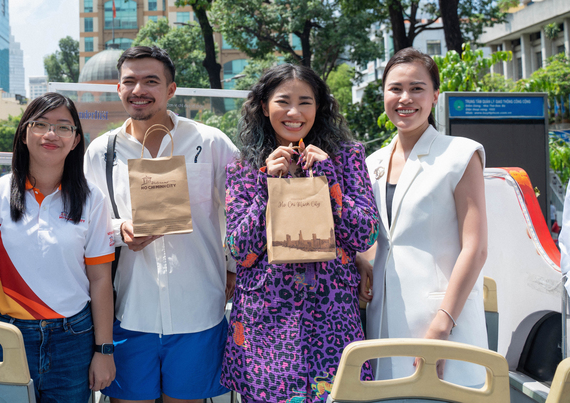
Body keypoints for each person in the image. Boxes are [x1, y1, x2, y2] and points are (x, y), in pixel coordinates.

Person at [83, 45, 238, 403]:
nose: (140, 90)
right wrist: (119, 230)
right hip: (129, 312)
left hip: (199, 310)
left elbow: (241, 210)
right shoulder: (101, 152)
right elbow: (87, 223)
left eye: (151, 81)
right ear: (118, 89)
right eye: (130, 81)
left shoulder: (210, 142)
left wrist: (232, 268)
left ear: (171, 90)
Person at [221, 64, 379, 403]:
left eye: (305, 102)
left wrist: (329, 182)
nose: (294, 112)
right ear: (264, 107)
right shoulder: (243, 168)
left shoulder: (346, 158)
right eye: (283, 101)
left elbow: (364, 235)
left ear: (319, 107)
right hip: (266, 326)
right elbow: (241, 251)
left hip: (332, 320)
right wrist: (268, 186)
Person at [357, 48, 489, 385]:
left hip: (443, 321)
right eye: (395, 88)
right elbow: (378, 238)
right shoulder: (370, 162)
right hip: (383, 320)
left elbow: (475, 248)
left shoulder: (460, 154)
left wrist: (442, 324)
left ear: (435, 96)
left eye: (417, 88)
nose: (405, 98)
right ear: (383, 94)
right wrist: (363, 262)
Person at [0, 93, 116, 402]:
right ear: (25, 133)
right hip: (5, 337)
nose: (51, 135)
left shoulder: (92, 199)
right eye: (41, 124)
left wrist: (104, 350)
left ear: (76, 140)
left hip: (73, 341)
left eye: (64, 127)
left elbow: (101, 279)